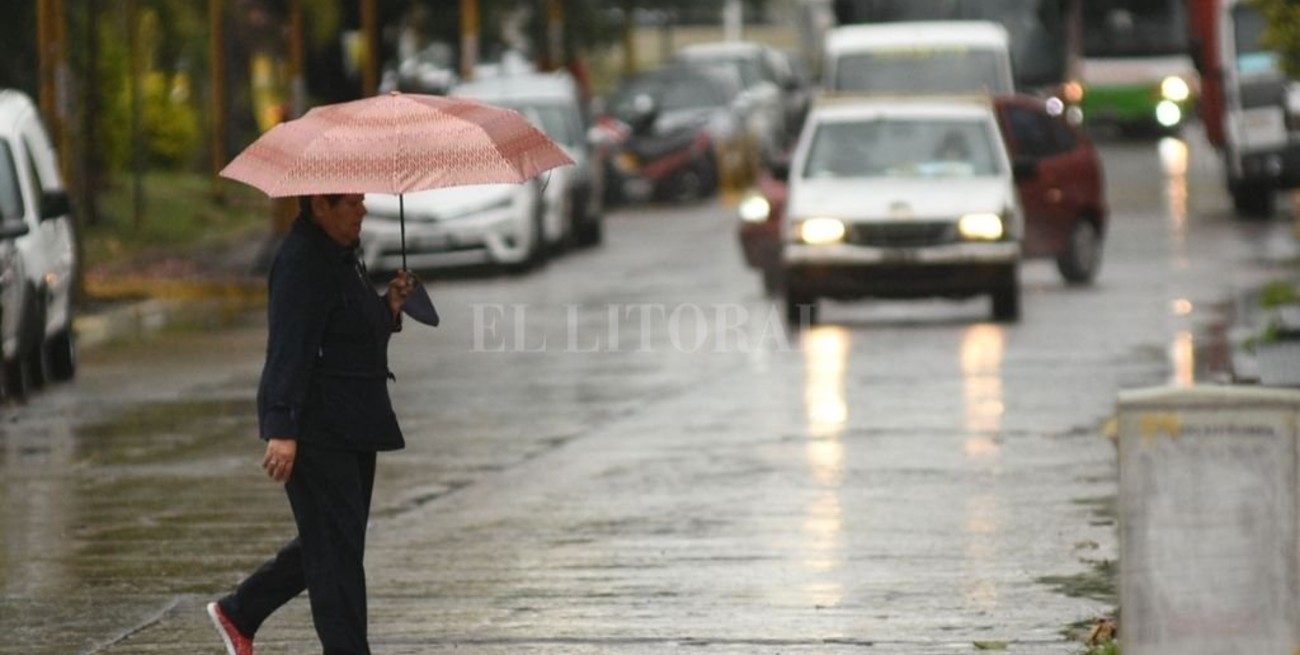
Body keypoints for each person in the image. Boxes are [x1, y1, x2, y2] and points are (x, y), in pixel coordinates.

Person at [207, 193, 412, 655]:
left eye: (362, 201)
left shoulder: (343, 254)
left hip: (355, 422)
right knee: (337, 557)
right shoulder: (302, 261)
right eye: (352, 203)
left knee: (336, 541)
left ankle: (241, 611)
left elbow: (351, 330)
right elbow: (289, 347)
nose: (362, 211)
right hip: (318, 428)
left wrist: (390, 306)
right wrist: (283, 428)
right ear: (321, 205)